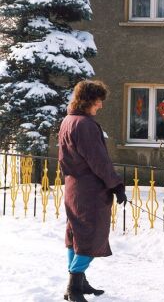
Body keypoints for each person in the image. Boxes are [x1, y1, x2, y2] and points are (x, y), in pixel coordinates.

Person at [58, 80, 127, 302]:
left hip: (74, 187)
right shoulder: (85, 125)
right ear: (89, 100)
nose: (101, 105)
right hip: (90, 191)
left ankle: (80, 281)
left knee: (76, 235)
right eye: (99, 101)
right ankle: (74, 287)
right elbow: (99, 161)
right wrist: (116, 185)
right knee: (90, 235)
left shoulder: (68, 120)